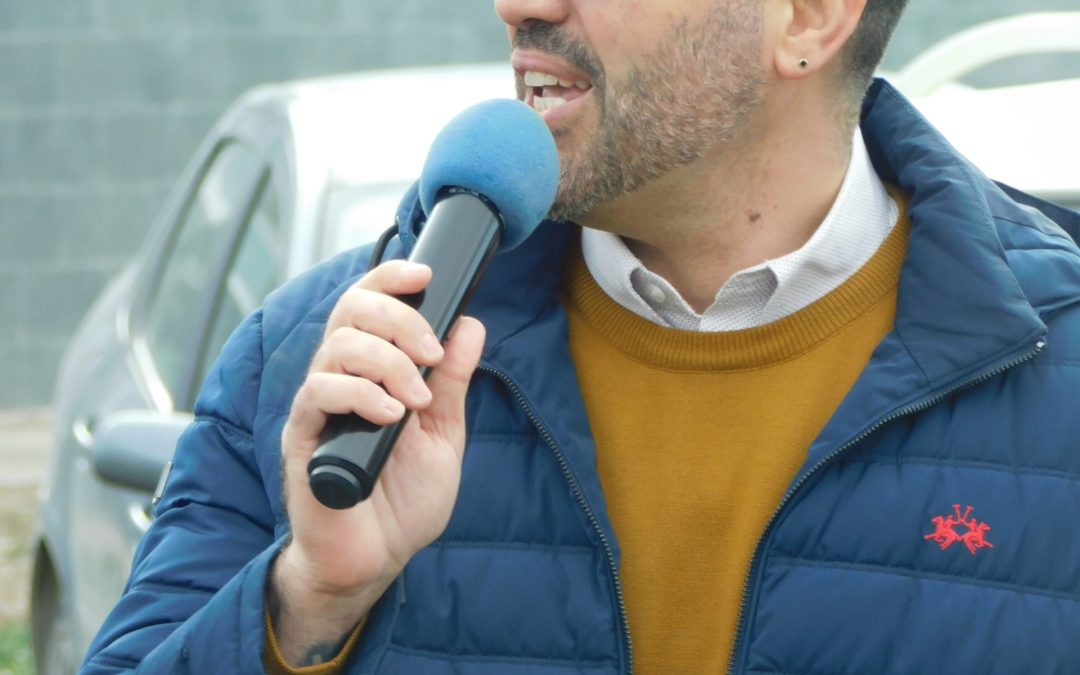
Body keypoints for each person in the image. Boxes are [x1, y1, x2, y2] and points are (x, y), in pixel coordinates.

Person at [84, 0, 1080, 673]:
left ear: (808, 15)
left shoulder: (1057, 372)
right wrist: (306, 603)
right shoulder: (317, 370)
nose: (518, 2)